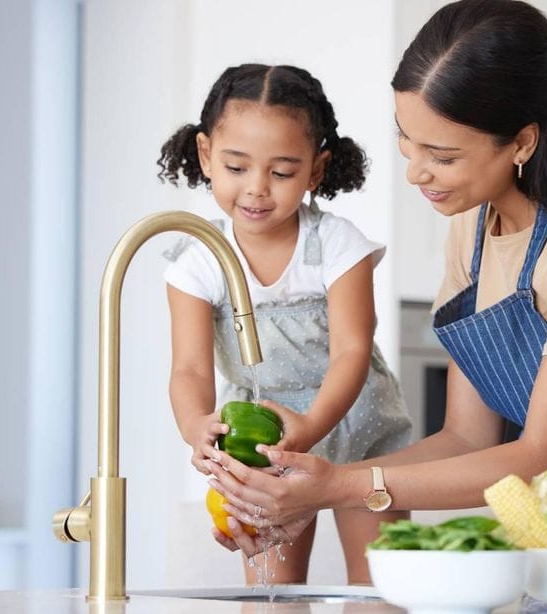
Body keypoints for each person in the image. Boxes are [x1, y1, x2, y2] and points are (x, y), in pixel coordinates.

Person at [203, 0, 547, 556]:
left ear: (523, 142)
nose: (415, 171)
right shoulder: (474, 227)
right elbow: (465, 439)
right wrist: (306, 493)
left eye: (443, 154)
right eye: (407, 138)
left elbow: (543, 455)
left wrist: (339, 487)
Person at [157, 63, 412, 584]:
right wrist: (194, 428)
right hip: (262, 444)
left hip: (358, 430)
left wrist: (313, 426)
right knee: (273, 592)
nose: (256, 190)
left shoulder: (338, 246)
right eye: (236, 167)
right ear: (206, 155)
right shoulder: (198, 258)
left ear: (316, 171)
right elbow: (188, 368)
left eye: (281, 172)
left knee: (380, 590)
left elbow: (352, 352)